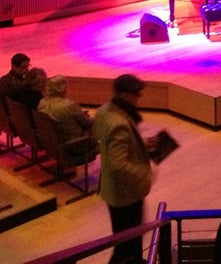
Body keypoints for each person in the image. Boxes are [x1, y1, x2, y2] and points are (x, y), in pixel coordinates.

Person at [93, 74, 152, 264]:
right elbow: (119, 165)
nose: (139, 98)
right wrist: (145, 173)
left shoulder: (104, 111)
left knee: (122, 237)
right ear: (125, 95)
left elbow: (105, 141)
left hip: (112, 189)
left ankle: (134, 260)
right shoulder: (120, 123)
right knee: (128, 241)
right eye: (136, 94)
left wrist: (139, 146)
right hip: (126, 194)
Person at [38, 75, 96, 158]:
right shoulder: (69, 105)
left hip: (52, 143)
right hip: (73, 145)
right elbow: (87, 123)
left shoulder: (42, 103)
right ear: (63, 88)